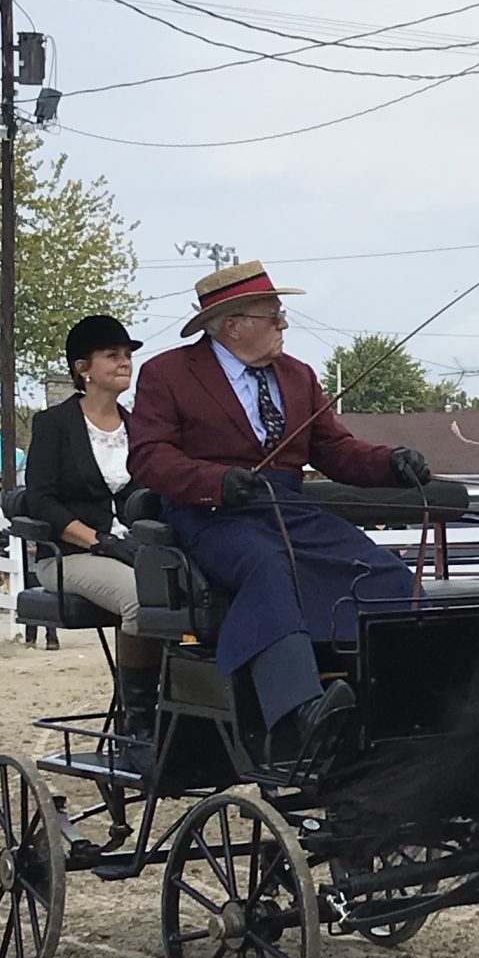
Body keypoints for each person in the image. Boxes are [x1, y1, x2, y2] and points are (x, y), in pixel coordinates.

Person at [127, 261, 430, 762]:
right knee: (267, 563)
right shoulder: (168, 374)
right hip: (209, 515)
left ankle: (400, 703)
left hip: (289, 508)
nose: (284, 324)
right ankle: (298, 715)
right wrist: (217, 482)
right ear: (233, 324)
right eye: (275, 315)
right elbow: (149, 456)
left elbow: (335, 450)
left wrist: (391, 463)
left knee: (381, 569)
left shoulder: (299, 377)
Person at [25, 314, 167, 762]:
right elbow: (41, 501)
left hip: (136, 546)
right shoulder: (53, 425)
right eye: (113, 356)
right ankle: (137, 719)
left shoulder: (139, 425)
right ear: (83, 368)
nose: (125, 363)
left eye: (127, 355)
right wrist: (97, 541)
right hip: (69, 555)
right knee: (141, 597)